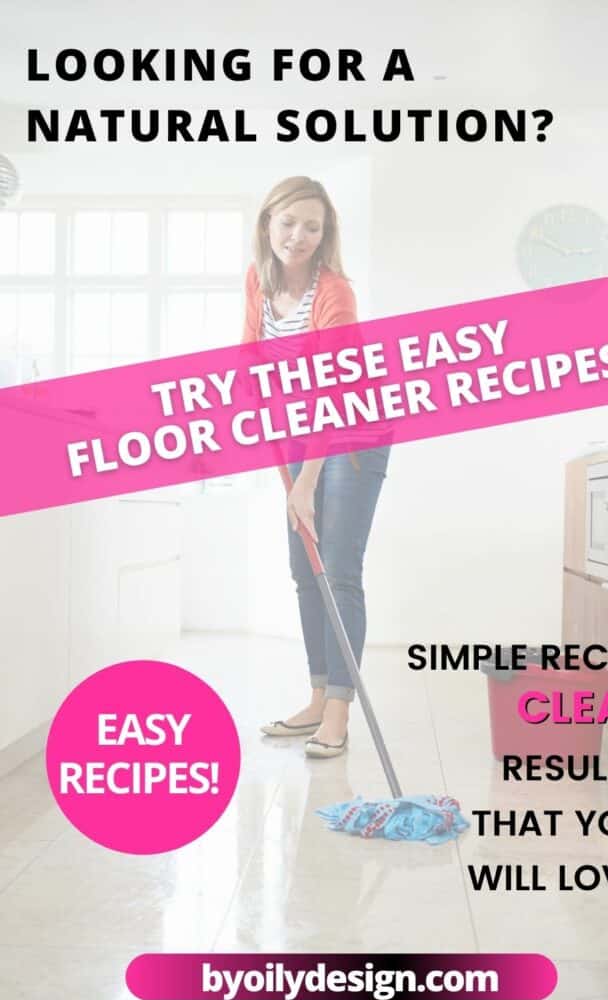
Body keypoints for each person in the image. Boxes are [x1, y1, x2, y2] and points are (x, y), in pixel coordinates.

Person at [241, 176, 389, 758]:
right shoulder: (258, 281)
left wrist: (305, 481)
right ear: (267, 223)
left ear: (326, 237)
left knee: (339, 567)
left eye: (312, 227)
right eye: (288, 223)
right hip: (301, 431)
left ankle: (338, 714)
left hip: (354, 429)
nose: (297, 236)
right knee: (305, 569)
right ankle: (316, 695)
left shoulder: (335, 295)